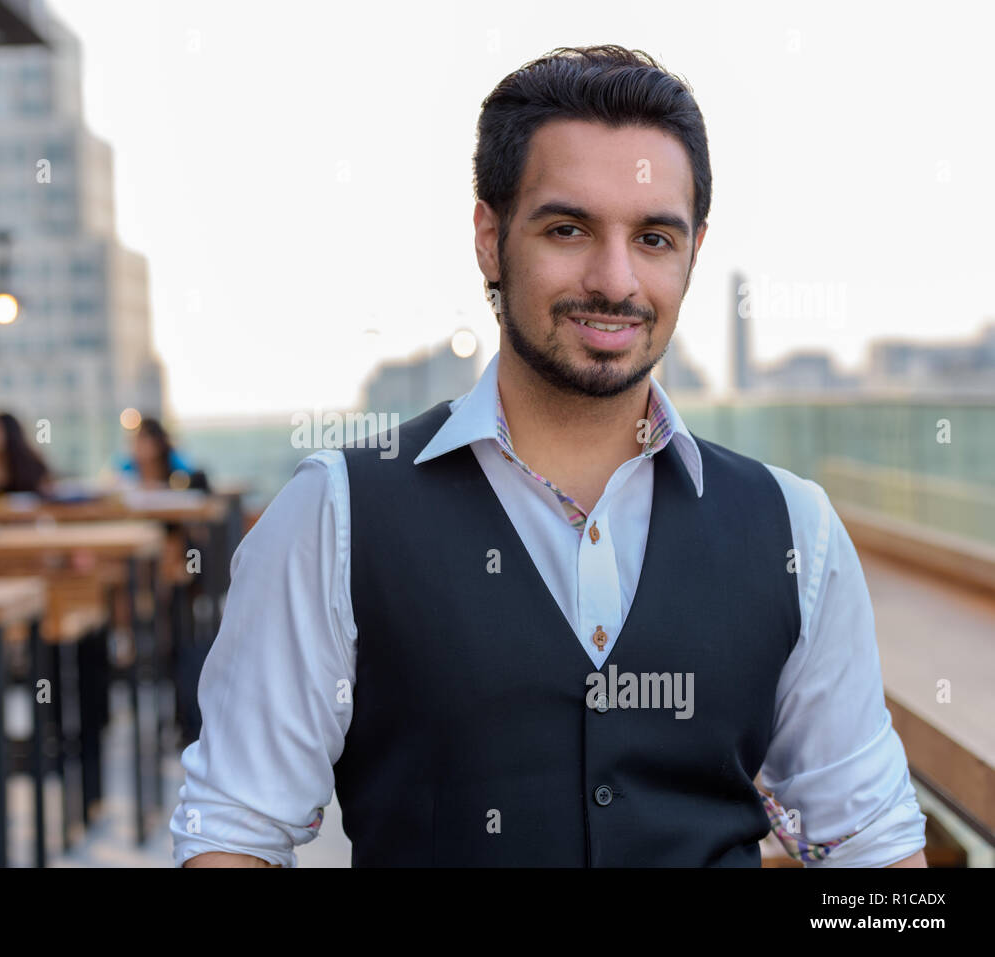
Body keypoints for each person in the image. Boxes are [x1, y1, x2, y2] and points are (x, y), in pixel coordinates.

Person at [171, 46, 929, 868]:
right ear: (490, 239)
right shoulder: (337, 514)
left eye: (653, 237)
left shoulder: (796, 531)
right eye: (568, 229)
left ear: (694, 252)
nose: (614, 279)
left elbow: (872, 845)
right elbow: (235, 833)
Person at [118, 417, 208, 492]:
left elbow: (196, 482)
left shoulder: (174, 462)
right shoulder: (128, 466)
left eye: (143, 439)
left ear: (158, 443)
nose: (137, 445)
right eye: (136, 440)